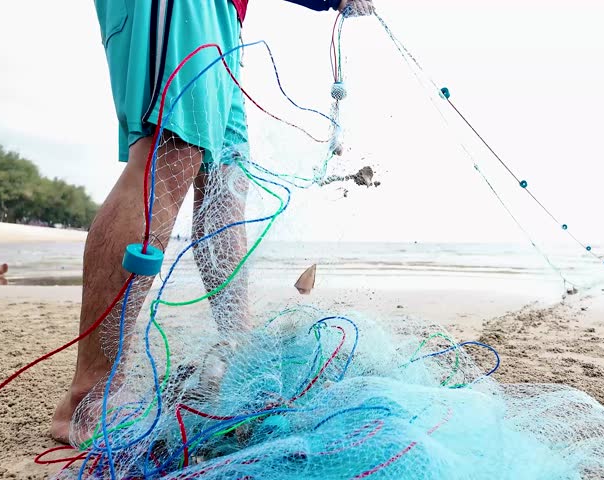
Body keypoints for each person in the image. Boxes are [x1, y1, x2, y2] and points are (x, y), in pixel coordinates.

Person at [51, 0, 374, 444]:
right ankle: (89, 398)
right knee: (170, 154)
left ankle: (237, 357)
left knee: (227, 184)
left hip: (223, 19)